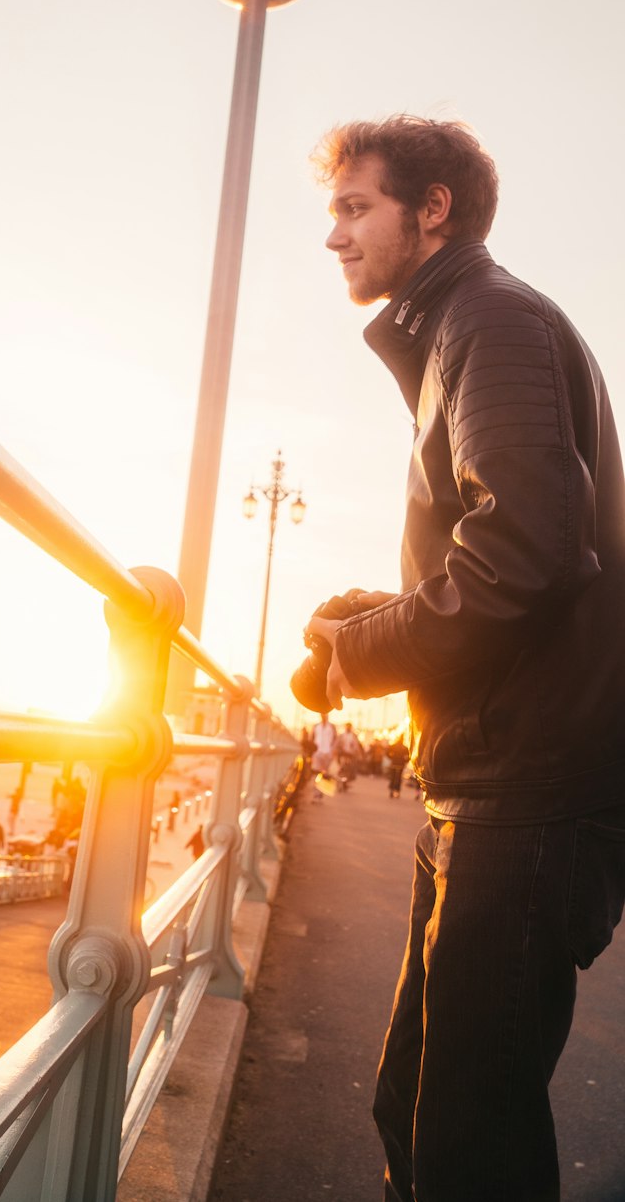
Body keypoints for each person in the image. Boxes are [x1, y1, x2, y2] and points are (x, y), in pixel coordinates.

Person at [305, 115, 625, 1202]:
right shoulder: (461, 332)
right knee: (415, 1106)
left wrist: (359, 656)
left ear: (431, 210)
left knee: (467, 1146)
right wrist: (371, 614)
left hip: (527, 798)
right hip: (485, 785)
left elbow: (528, 549)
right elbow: (507, 547)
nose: (335, 236)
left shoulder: (490, 321)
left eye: (356, 208)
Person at [309, 712, 337, 800]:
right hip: (317, 753)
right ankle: (316, 793)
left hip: (327, 753)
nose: (324, 716)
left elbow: (336, 739)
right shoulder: (316, 726)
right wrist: (311, 752)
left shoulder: (332, 727)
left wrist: (333, 751)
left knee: (325, 774)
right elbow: (311, 739)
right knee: (316, 772)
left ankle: (321, 791)